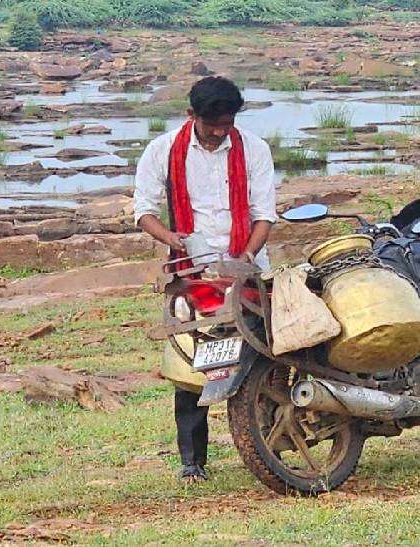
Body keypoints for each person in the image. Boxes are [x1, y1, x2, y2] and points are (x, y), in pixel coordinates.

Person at [134, 76, 277, 483]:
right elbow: (143, 211)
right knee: (193, 366)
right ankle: (192, 462)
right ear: (191, 115)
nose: (219, 131)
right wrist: (170, 239)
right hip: (191, 272)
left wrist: (246, 256)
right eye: (212, 123)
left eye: (227, 123)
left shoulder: (254, 149)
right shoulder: (162, 151)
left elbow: (264, 212)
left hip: (246, 268)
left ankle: (267, 446)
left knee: (264, 357)